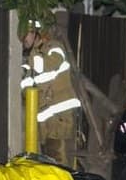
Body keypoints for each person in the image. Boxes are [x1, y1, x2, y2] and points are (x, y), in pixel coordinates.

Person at [20, 21, 81, 165]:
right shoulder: (30, 59)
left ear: (36, 33)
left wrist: (31, 55)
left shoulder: (54, 48)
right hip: (44, 120)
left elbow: (45, 66)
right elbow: (26, 88)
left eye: (26, 34)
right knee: (46, 163)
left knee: (59, 160)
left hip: (59, 118)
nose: (23, 39)